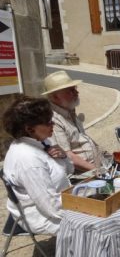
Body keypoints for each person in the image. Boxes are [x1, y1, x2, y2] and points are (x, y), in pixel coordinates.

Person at [2, 97, 74, 235]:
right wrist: (84, 209)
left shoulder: (42, 141)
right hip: (41, 216)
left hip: (61, 199)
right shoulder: (28, 159)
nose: (52, 124)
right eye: (48, 122)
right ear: (29, 129)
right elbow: (51, 206)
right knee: (100, 224)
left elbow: (69, 170)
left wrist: (64, 156)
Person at [42, 70, 99, 173]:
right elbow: (68, 156)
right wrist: (98, 171)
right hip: (81, 176)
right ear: (55, 97)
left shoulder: (69, 109)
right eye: (70, 90)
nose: (77, 92)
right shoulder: (53, 119)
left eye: (75, 88)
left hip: (94, 168)